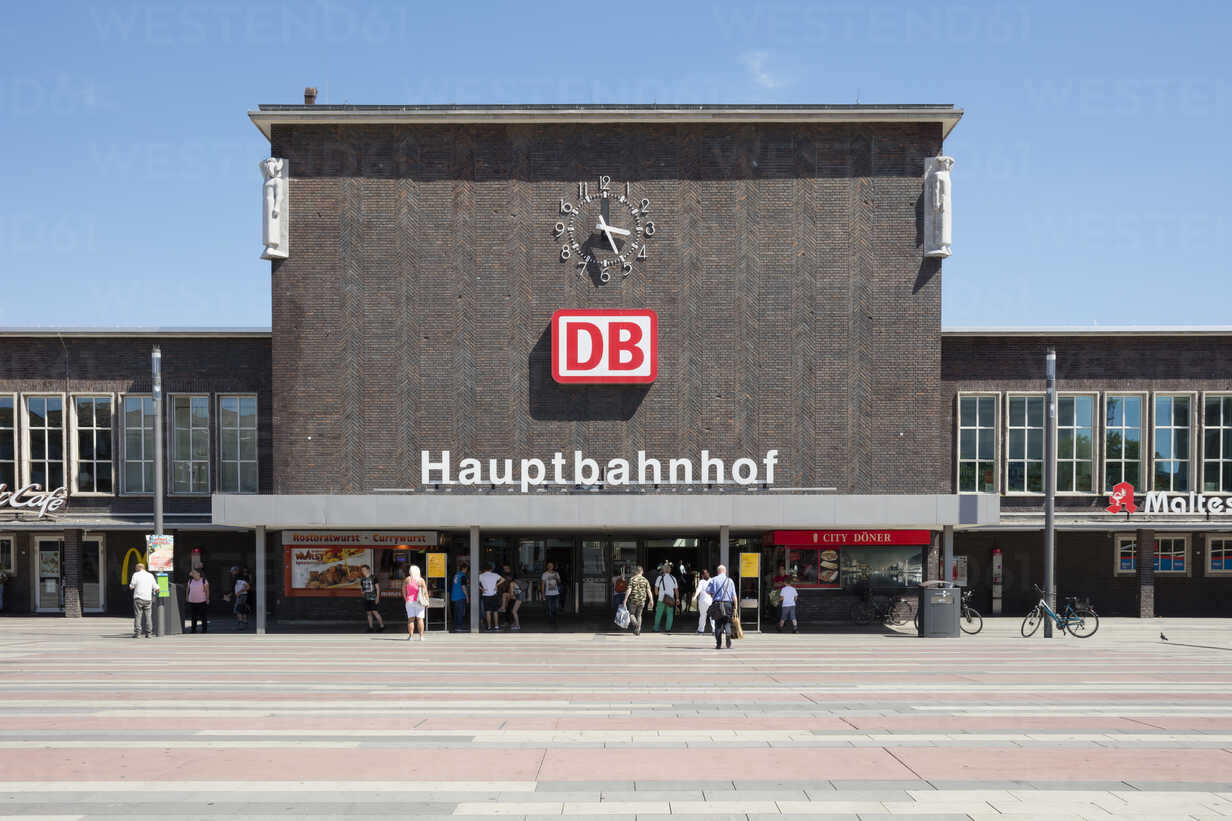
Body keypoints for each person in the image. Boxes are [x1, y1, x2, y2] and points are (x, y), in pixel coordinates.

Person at [704, 564, 737, 649]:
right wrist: (735, 607)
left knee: (718, 624)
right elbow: (734, 596)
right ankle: (728, 634)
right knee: (727, 622)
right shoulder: (730, 581)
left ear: (718, 571)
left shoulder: (714, 580)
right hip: (728, 604)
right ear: (725, 571)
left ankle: (718, 644)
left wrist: (713, 596)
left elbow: (707, 591)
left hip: (717, 604)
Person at [621, 566, 653, 636]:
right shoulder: (645, 580)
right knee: (639, 615)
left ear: (636, 572)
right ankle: (637, 630)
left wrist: (625, 600)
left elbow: (629, 590)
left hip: (633, 600)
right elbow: (649, 591)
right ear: (642, 572)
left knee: (631, 614)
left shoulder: (632, 579)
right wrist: (651, 600)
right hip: (642, 600)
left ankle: (636, 625)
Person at [129, 562, 157, 638]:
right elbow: (156, 587)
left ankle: (137, 633)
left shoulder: (136, 575)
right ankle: (149, 633)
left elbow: (131, 586)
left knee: (138, 615)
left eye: (136, 568)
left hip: (138, 598)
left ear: (138, 568)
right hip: (148, 599)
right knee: (148, 616)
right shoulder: (150, 575)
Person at [403, 564, 427, 641]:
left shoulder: (407, 579)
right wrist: (427, 601)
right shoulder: (421, 580)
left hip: (409, 601)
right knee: (420, 620)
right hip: (419, 601)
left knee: (411, 620)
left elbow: (403, 590)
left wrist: (405, 598)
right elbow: (425, 592)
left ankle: (411, 636)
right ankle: (421, 637)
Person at [652, 562, 678, 634]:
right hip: (670, 599)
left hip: (661, 598)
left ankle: (656, 628)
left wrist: (657, 594)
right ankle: (668, 629)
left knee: (659, 614)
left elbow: (656, 587)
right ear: (670, 571)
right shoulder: (673, 578)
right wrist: (678, 599)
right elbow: (676, 590)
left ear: (663, 570)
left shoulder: (660, 578)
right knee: (670, 614)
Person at [358, 564, 384, 633]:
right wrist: (362, 592)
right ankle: (370, 627)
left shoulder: (373, 577)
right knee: (368, 613)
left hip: (373, 598)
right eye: (362, 570)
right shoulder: (362, 579)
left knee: (375, 612)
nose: (363, 571)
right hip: (366, 598)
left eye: (364, 570)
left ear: (368, 570)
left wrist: (377, 598)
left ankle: (382, 626)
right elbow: (361, 588)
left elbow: (378, 588)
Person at [478, 564, 502, 631]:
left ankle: (489, 627)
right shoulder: (495, 575)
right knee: (495, 611)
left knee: (487, 611)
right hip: (494, 595)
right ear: (491, 569)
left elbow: (474, 582)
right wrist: (496, 585)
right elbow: (503, 579)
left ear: (484, 569)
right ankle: (496, 626)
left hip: (486, 595)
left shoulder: (481, 576)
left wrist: (481, 588)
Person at [186, 568, 210, 633]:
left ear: (199, 574)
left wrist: (207, 599)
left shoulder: (204, 580)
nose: (193, 574)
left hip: (202, 601)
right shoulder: (190, 580)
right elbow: (187, 589)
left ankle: (204, 629)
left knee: (203, 617)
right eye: (192, 573)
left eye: (194, 573)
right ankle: (193, 629)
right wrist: (187, 597)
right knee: (193, 616)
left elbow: (207, 591)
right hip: (192, 601)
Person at [541, 561, 562, 628]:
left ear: (553, 566)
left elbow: (559, 582)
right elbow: (542, 585)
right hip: (548, 594)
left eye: (551, 565)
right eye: (549, 565)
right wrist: (543, 594)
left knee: (556, 607)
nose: (550, 566)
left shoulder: (556, 573)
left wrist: (557, 578)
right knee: (549, 608)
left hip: (556, 593)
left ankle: (555, 620)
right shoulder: (544, 574)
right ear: (547, 566)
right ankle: (551, 620)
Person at [501, 564, 522, 631]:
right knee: (512, 610)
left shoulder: (512, 582)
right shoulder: (504, 575)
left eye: (506, 568)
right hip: (517, 596)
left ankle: (517, 624)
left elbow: (512, 594)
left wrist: (508, 596)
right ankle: (514, 623)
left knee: (513, 611)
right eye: (504, 568)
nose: (505, 570)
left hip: (516, 596)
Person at [692, 568, 712, 635]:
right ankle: (714, 630)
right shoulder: (712, 581)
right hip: (710, 601)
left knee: (703, 616)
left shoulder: (702, 581)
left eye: (706, 573)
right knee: (712, 616)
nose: (706, 574)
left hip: (704, 602)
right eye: (705, 573)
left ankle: (700, 631)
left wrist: (694, 597)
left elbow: (698, 590)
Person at [451, 561, 469, 632]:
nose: (467, 570)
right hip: (460, 596)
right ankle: (459, 627)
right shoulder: (463, 576)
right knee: (461, 612)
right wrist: (467, 596)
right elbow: (463, 587)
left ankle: (456, 626)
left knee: (456, 612)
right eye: (467, 569)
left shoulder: (456, 575)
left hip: (454, 596)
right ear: (464, 568)